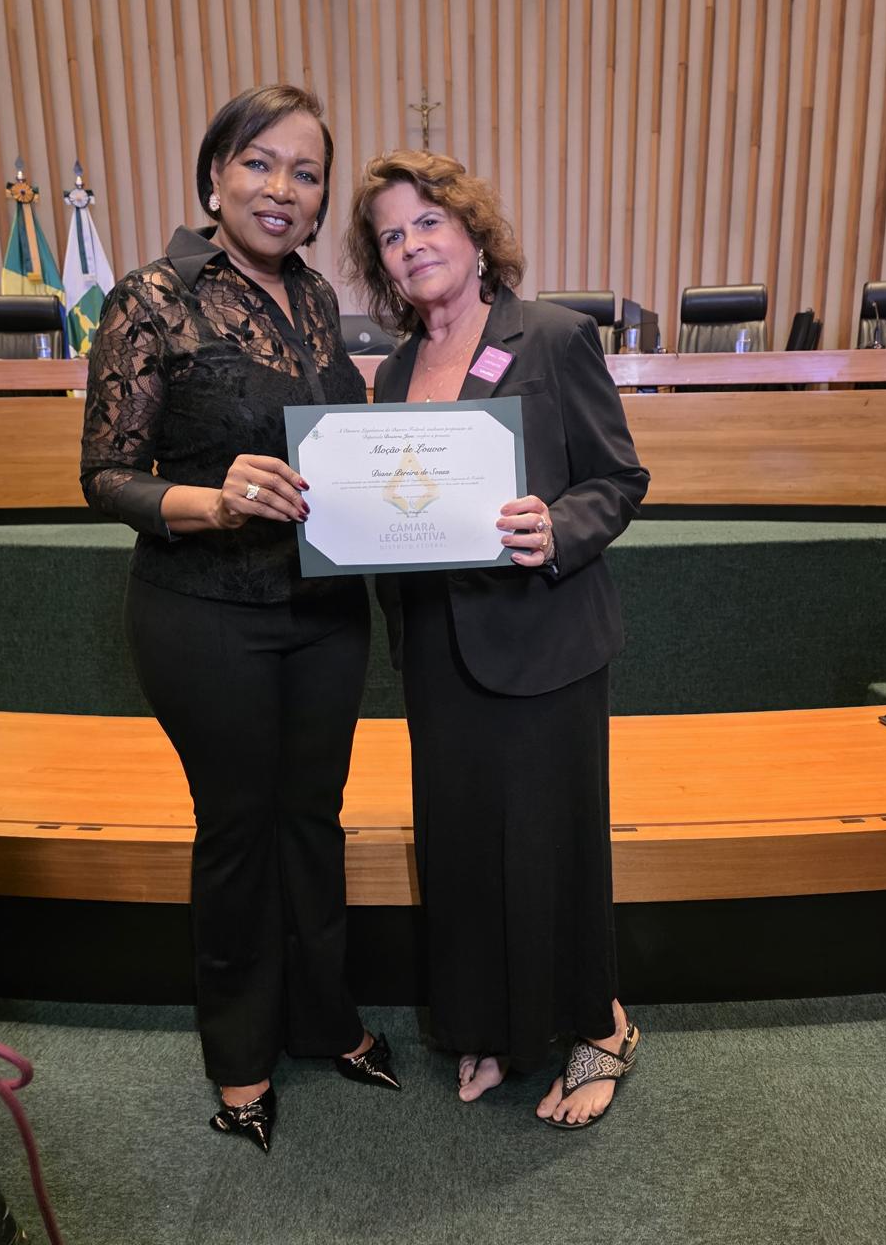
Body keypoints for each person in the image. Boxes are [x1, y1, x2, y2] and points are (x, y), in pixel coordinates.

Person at [80, 86, 399, 1154]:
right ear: (215, 170)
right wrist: (211, 500)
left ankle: (325, 1014)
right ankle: (238, 1053)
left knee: (315, 818)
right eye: (261, 163)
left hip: (323, 609)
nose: (283, 190)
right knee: (237, 830)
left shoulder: (315, 299)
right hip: (203, 611)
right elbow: (105, 475)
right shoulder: (151, 296)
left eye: (306, 173)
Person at [343, 151, 650, 1128]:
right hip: (436, 650)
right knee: (464, 847)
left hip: (546, 645)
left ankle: (602, 1024)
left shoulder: (552, 335)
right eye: (392, 234)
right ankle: (493, 1029)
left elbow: (617, 480)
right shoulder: (392, 370)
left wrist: (557, 528)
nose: (412, 245)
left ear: (474, 232)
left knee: (556, 847)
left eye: (429, 222)